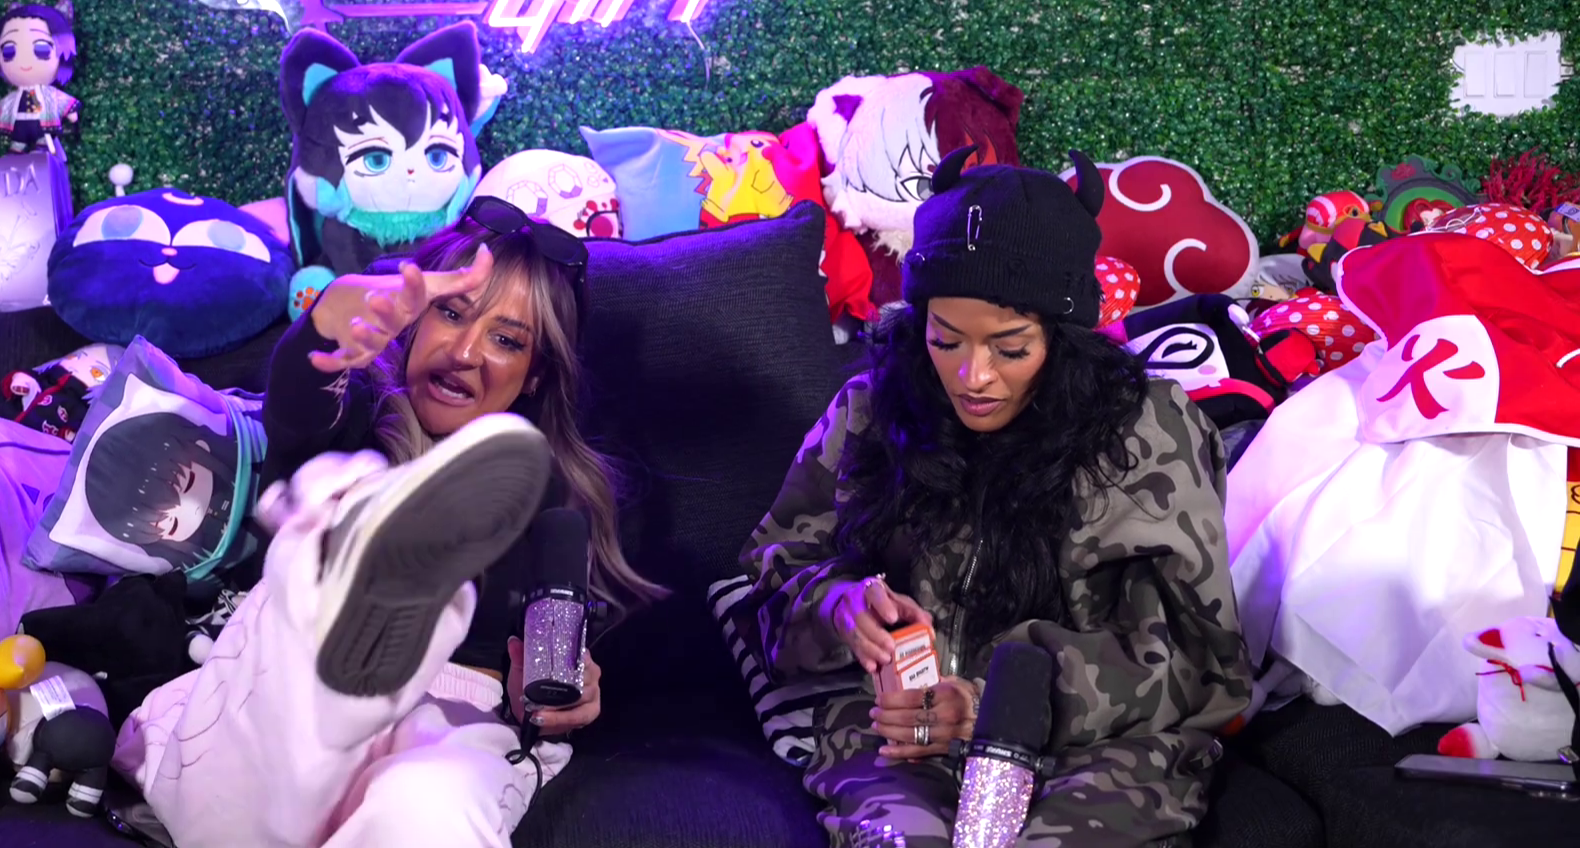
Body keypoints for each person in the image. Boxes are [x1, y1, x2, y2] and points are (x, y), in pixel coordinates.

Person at [735, 147, 1252, 847]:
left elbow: (1199, 663)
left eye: (1010, 349)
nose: (972, 376)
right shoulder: (870, 411)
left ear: (1064, 341)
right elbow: (769, 582)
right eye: (945, 340)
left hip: (1100, 749)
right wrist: (836, 606)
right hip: (898, 737)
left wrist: (994, 706)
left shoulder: (1146, 432)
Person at [112, 194, 664, 848]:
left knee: (426, 807)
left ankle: (382, 615)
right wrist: (329, 325)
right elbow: (302, 399)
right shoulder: (355, 418)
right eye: (451, 313)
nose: (465, 351)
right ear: (415, 321)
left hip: (457, 724)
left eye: (506, 339)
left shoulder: (566, 502)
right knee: (328, 503)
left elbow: (568, 681)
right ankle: (359, 582)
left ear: (536, 375)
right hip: (287, 678)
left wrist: (558, 697)